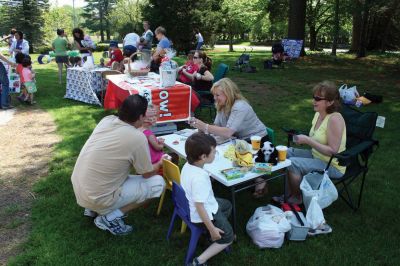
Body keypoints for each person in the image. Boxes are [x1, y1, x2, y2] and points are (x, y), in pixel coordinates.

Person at [71, 94, 166, 236]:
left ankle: (92, 209)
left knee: (112, 168)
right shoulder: (137, 137)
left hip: (80, 188)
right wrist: (160, 163)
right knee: (158, 183)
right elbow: (146, 173)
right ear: (141, 116)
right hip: (97, 197)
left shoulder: (107, 120)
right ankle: (108, 218)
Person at [189, 78, 268, 197]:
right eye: (214, 95)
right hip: (239, 139)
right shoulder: (221, 104)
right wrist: (200, 128)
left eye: (217, 95)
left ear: (228, 93)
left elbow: (227, 132)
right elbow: (217, 126)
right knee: (216, 152)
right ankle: (212, 176)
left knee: (228, 155)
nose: (214, 98)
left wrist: (205, 126)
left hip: (257, 140)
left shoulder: (240, 106)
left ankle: (260, 179)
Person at [273, 81, 346, 209]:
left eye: (318, 98)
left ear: (330, 102)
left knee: (293, 163)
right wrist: (302, 138)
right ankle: (288, 194)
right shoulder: (318, 113)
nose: (314, 100)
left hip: (332, 164)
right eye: (314, 97)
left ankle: (297, 198)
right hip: (316, 155)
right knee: (285, 152)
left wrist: (308, 140)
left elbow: (333, 151)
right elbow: (316, 137)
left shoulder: (335, 119)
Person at [180, 132, 234, 266]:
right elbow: (200, 207)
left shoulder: (188, 165)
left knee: (227, 205)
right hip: (204, 215)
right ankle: (199, 261)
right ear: (203, 157)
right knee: (229, 237)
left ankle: (215, 231)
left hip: (204, 205)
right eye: (214, 152)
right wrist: (211, 229)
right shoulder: (199, 179)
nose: (215, 155)